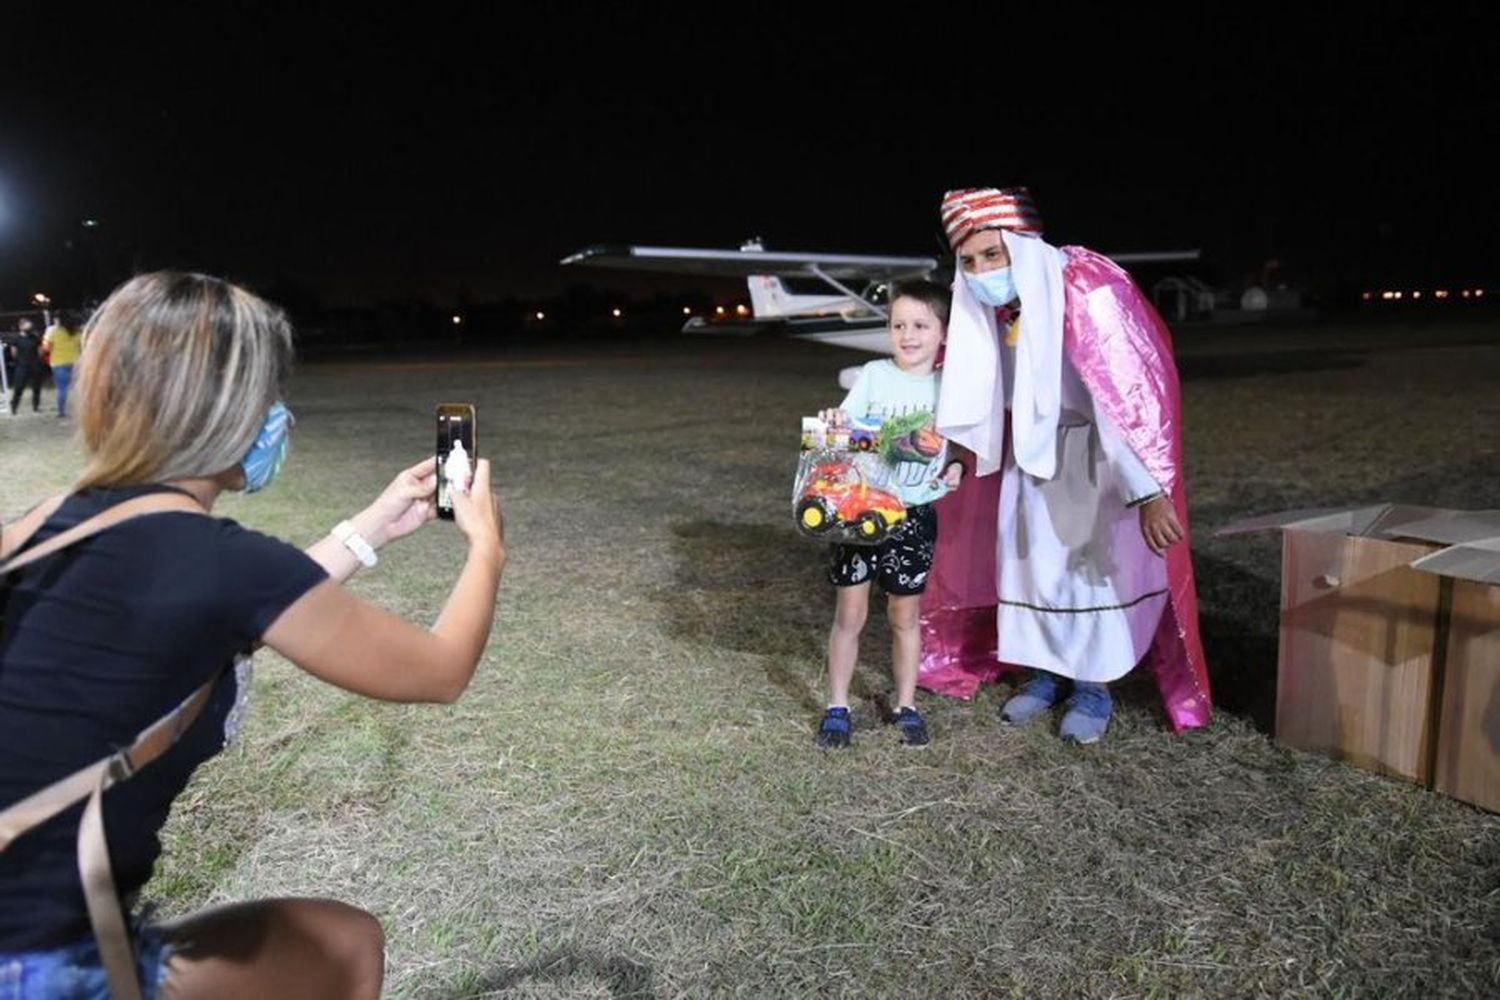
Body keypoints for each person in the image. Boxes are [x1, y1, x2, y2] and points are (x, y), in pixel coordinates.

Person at [0, 272, 505, 998]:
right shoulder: (221, 563)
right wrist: (487, 547)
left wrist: (369, 529)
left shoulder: (46, 525)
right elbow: (442, 669)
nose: (278, 416)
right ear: (229, 413)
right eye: (267, 394)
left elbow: (203, 609)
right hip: (36, 967)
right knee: (344, 946)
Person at [926, 187, 1211, 743]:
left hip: (1089, 463)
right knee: (1029, 565)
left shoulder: (1083, 297)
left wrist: (1146, 492)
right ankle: (1044, 673)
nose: (982, 270)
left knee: (1086, 576)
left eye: (993, 255)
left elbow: (1119, 401)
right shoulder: (998, 311)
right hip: (1025, 464)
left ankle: (1091, 686)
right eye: (969, 261)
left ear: (1024, 248)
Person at [814, 280, 965, 749]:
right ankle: (837, 705)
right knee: (850, 613)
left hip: (914, 517)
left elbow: (958, 442)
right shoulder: (875, 375)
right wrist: (832, 429)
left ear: (943, 332)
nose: (908, 334)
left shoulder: (951, 386)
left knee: (904, 616)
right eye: (898, 324)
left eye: (921, 325)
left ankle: (906, 704)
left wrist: (957, 463)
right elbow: (839, 433)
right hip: (860, 514)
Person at [42, 313, 83, 418]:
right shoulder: (77, 332)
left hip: (58, 363)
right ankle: (80, 410)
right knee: (77, 388)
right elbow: (82, 346)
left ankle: (61, 411)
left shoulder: (55, 332)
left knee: (62, 389)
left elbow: (46, 348)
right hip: (75, 362)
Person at [7, 318, 45, 414]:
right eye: (27, 325)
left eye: (30, 325)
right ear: (21, 327)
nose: (29, 327)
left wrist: (37, 361)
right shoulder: (16, 339)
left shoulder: (35, 338)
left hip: (35, 365)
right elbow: (13, 353)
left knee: (36, 387)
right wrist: (19, 361)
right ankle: (14, 407)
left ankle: (36, 406)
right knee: (19, 388)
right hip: (22, 366)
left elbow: (40, 351)